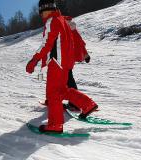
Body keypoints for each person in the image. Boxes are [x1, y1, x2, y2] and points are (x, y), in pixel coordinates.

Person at [26, 0, 98, 133]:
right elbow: (71, 41)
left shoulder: (51, 21)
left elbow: (46, 44)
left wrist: (34, 60)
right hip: (65, 63)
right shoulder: (62, 20)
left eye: (41, 11)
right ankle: (88, 105)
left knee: (53, 93)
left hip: (56, 63)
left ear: (46, 9)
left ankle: (55, 125)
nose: (41, 15)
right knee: (62, 91)